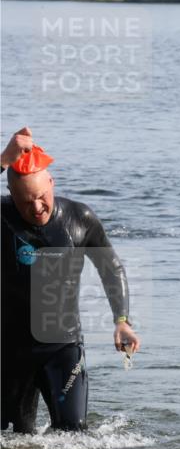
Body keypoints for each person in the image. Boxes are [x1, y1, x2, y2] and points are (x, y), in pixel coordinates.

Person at [1, 127, 140, 433]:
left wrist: (121, 320)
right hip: (8, 352)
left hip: (61, 346)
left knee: (73, 436)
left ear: (51, 182)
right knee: (12, 441)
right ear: (11, 195)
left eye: (41, 197)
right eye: (26, 202)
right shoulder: (2, 216)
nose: (37, 207)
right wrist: (2, 160)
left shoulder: (80, 218)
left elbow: (111, 267)